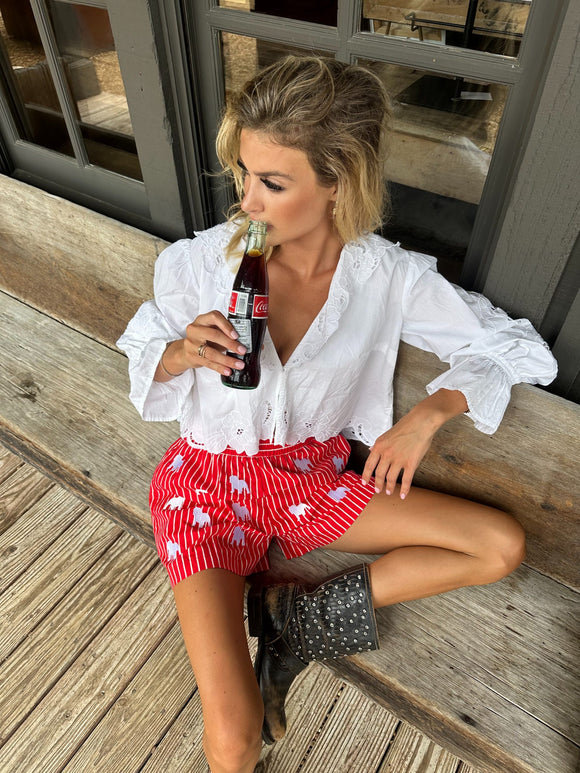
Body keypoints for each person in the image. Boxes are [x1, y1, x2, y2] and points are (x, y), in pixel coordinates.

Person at [117, 56, 557, 773]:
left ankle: (302, 621)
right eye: (244, 173)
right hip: (205, 488)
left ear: (337, 182)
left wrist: (430, 414)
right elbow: (140, 353)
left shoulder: (387, 278)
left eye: (272, 181)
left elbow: (518, 347)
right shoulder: (200, 264)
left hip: (306, 481)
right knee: (232, 739)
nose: (247, 201)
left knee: (496, 545)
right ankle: (273, 636)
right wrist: (176, 353)